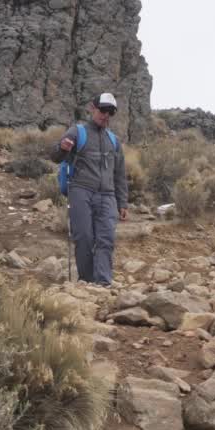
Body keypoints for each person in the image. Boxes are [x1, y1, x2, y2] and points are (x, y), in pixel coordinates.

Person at [49, 93, 129, 286]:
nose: (106, 115)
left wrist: (122, 202)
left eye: (110, 112)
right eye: (103, 110)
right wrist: (62, 147)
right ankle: (86, 280)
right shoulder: (77, 132)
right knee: (84, 237)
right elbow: (55, 156)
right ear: (92, 108)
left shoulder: (114, 141)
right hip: (80, 191)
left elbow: (119, 173)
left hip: (108, 196)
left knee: (106, 239)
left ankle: (103, 283)